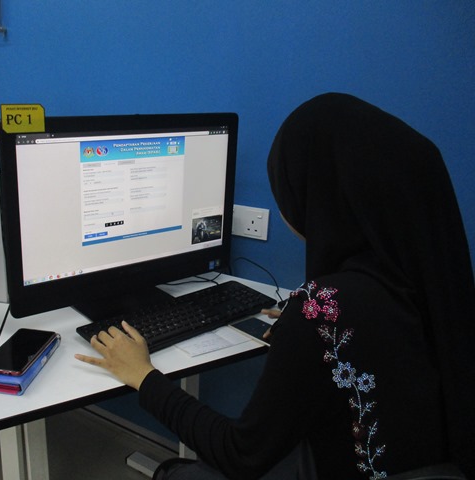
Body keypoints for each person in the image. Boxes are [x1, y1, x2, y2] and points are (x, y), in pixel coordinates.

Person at [75, 93, 475, 479]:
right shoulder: (429, 280)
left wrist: (143, 376)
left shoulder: (323, 309)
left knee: (174, 472)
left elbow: (241, 455)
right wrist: (306, 334)